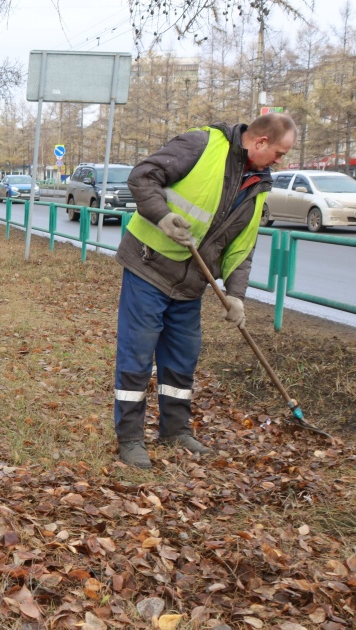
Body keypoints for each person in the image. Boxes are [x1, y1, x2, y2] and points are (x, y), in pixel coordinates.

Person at [112, 112, 297, 469]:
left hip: (192, 284)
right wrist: (162, 216)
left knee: (181, 361)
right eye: (279, 152)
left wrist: (237, 296)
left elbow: (241, 249)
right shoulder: (203, 144)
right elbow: (142, 177)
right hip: (149, 267)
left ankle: (175, 430)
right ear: (260, 142)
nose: (280, 161)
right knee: (136, 359)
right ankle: (131, 438)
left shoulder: (259, 185)